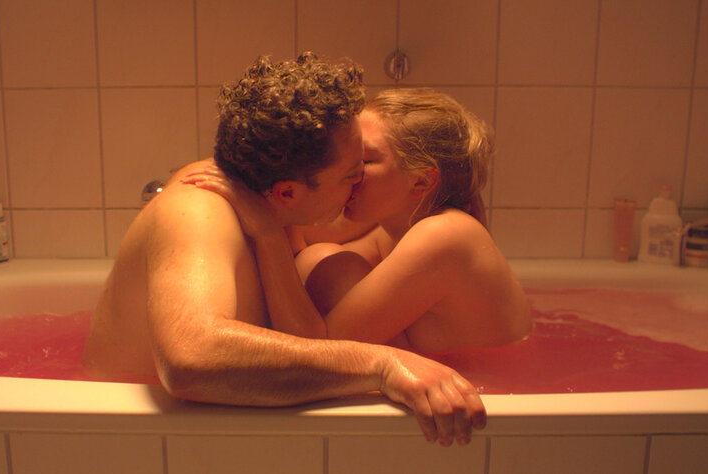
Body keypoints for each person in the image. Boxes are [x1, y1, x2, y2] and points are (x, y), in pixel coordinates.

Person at [82, 54, 486, 447]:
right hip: (119, 441)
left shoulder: (269, 204)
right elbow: (190, 358)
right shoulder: (196, 211)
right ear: (289, 192)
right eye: (351, 175)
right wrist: (382, 365)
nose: (359, 183)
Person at [184, 88, 532, 356]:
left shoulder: (444, 236)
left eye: (364, 161)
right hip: (463, 379)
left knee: (336, 269)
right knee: (323, 259)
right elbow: (305, 259)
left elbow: (317, 352)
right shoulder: (395, 230)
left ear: (421, 182)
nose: (349, 172)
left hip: (497, 396)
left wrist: (268, 233)